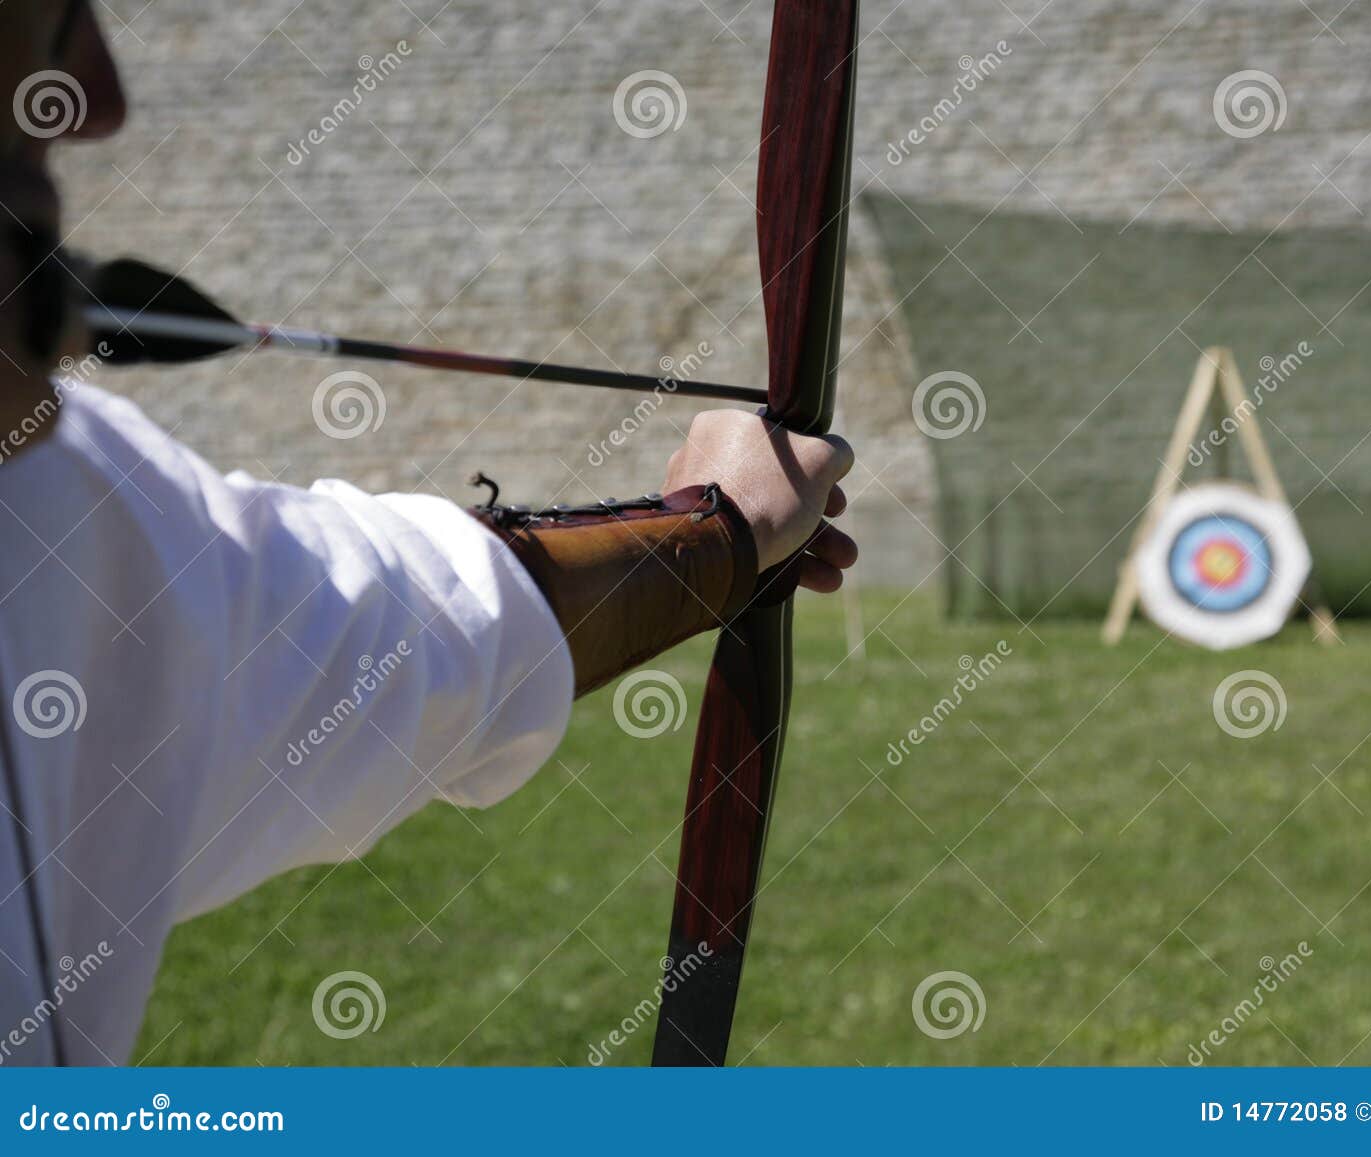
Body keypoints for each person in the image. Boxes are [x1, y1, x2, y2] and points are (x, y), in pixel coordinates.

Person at [0, 0, 856, 1065]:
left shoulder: (58, 510)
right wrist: (718, 535)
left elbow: (397, 631)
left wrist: (721, 531)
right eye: (46, 16)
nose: (100, 99)